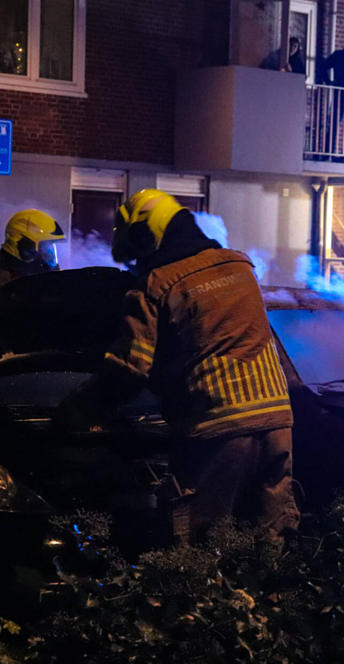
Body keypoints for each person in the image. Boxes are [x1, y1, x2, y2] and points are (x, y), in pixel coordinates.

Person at [60, 189, 299, 546]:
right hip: (277, 423)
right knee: (270, 539)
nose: (136, 267)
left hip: (217, 427)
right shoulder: (239, 265)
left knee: (201, 550)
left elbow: (128, 370)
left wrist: (76, 410)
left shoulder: (155, 285)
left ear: (144, 236)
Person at [0, 209, 67, 287]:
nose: (49, 255)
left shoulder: (32, 280)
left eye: (50, 249)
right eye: (44, 248)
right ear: (25, 248)